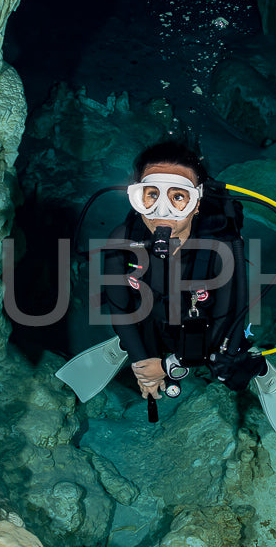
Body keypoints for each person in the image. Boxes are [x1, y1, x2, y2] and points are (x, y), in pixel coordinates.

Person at [103, 139, 262, 399]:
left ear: (196, 203)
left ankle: (257, 370)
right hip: (151, 321)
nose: (162, 211)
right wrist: (142, 362)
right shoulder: (122, 238)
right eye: (152, 194)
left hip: (202, 330)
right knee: (137, 338)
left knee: (230, 370)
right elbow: (119, 308)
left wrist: (165, 366)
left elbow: (228, 319)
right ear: (137, 197)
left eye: (178, 196)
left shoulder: (221, 247)